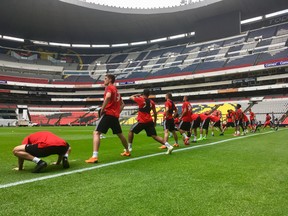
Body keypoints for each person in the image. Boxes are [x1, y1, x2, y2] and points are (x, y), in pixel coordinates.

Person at [85, 74, 130, 163]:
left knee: (96, 133)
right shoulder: (117, 91)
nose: (104, 80)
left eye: (105, 79)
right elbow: (123, 104)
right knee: (120, 135)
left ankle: (94, 156)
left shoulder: (109, 88)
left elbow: (108, 97)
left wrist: (102, 109)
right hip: (114, 116)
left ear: (110, 80)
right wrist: (117, 113)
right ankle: (127, 151)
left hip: (108, 114)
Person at [128, 89, 173, 154]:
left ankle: (129, 147)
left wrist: (137, 95)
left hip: (142, 121)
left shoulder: (140, 99)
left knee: (131, 131)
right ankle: (169, 146)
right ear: (149, 95)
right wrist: (154, 122)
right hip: (149, 121)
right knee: (155, 136)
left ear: (143, 94)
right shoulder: (152, 102)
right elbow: (155, 113)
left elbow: (131, 97)